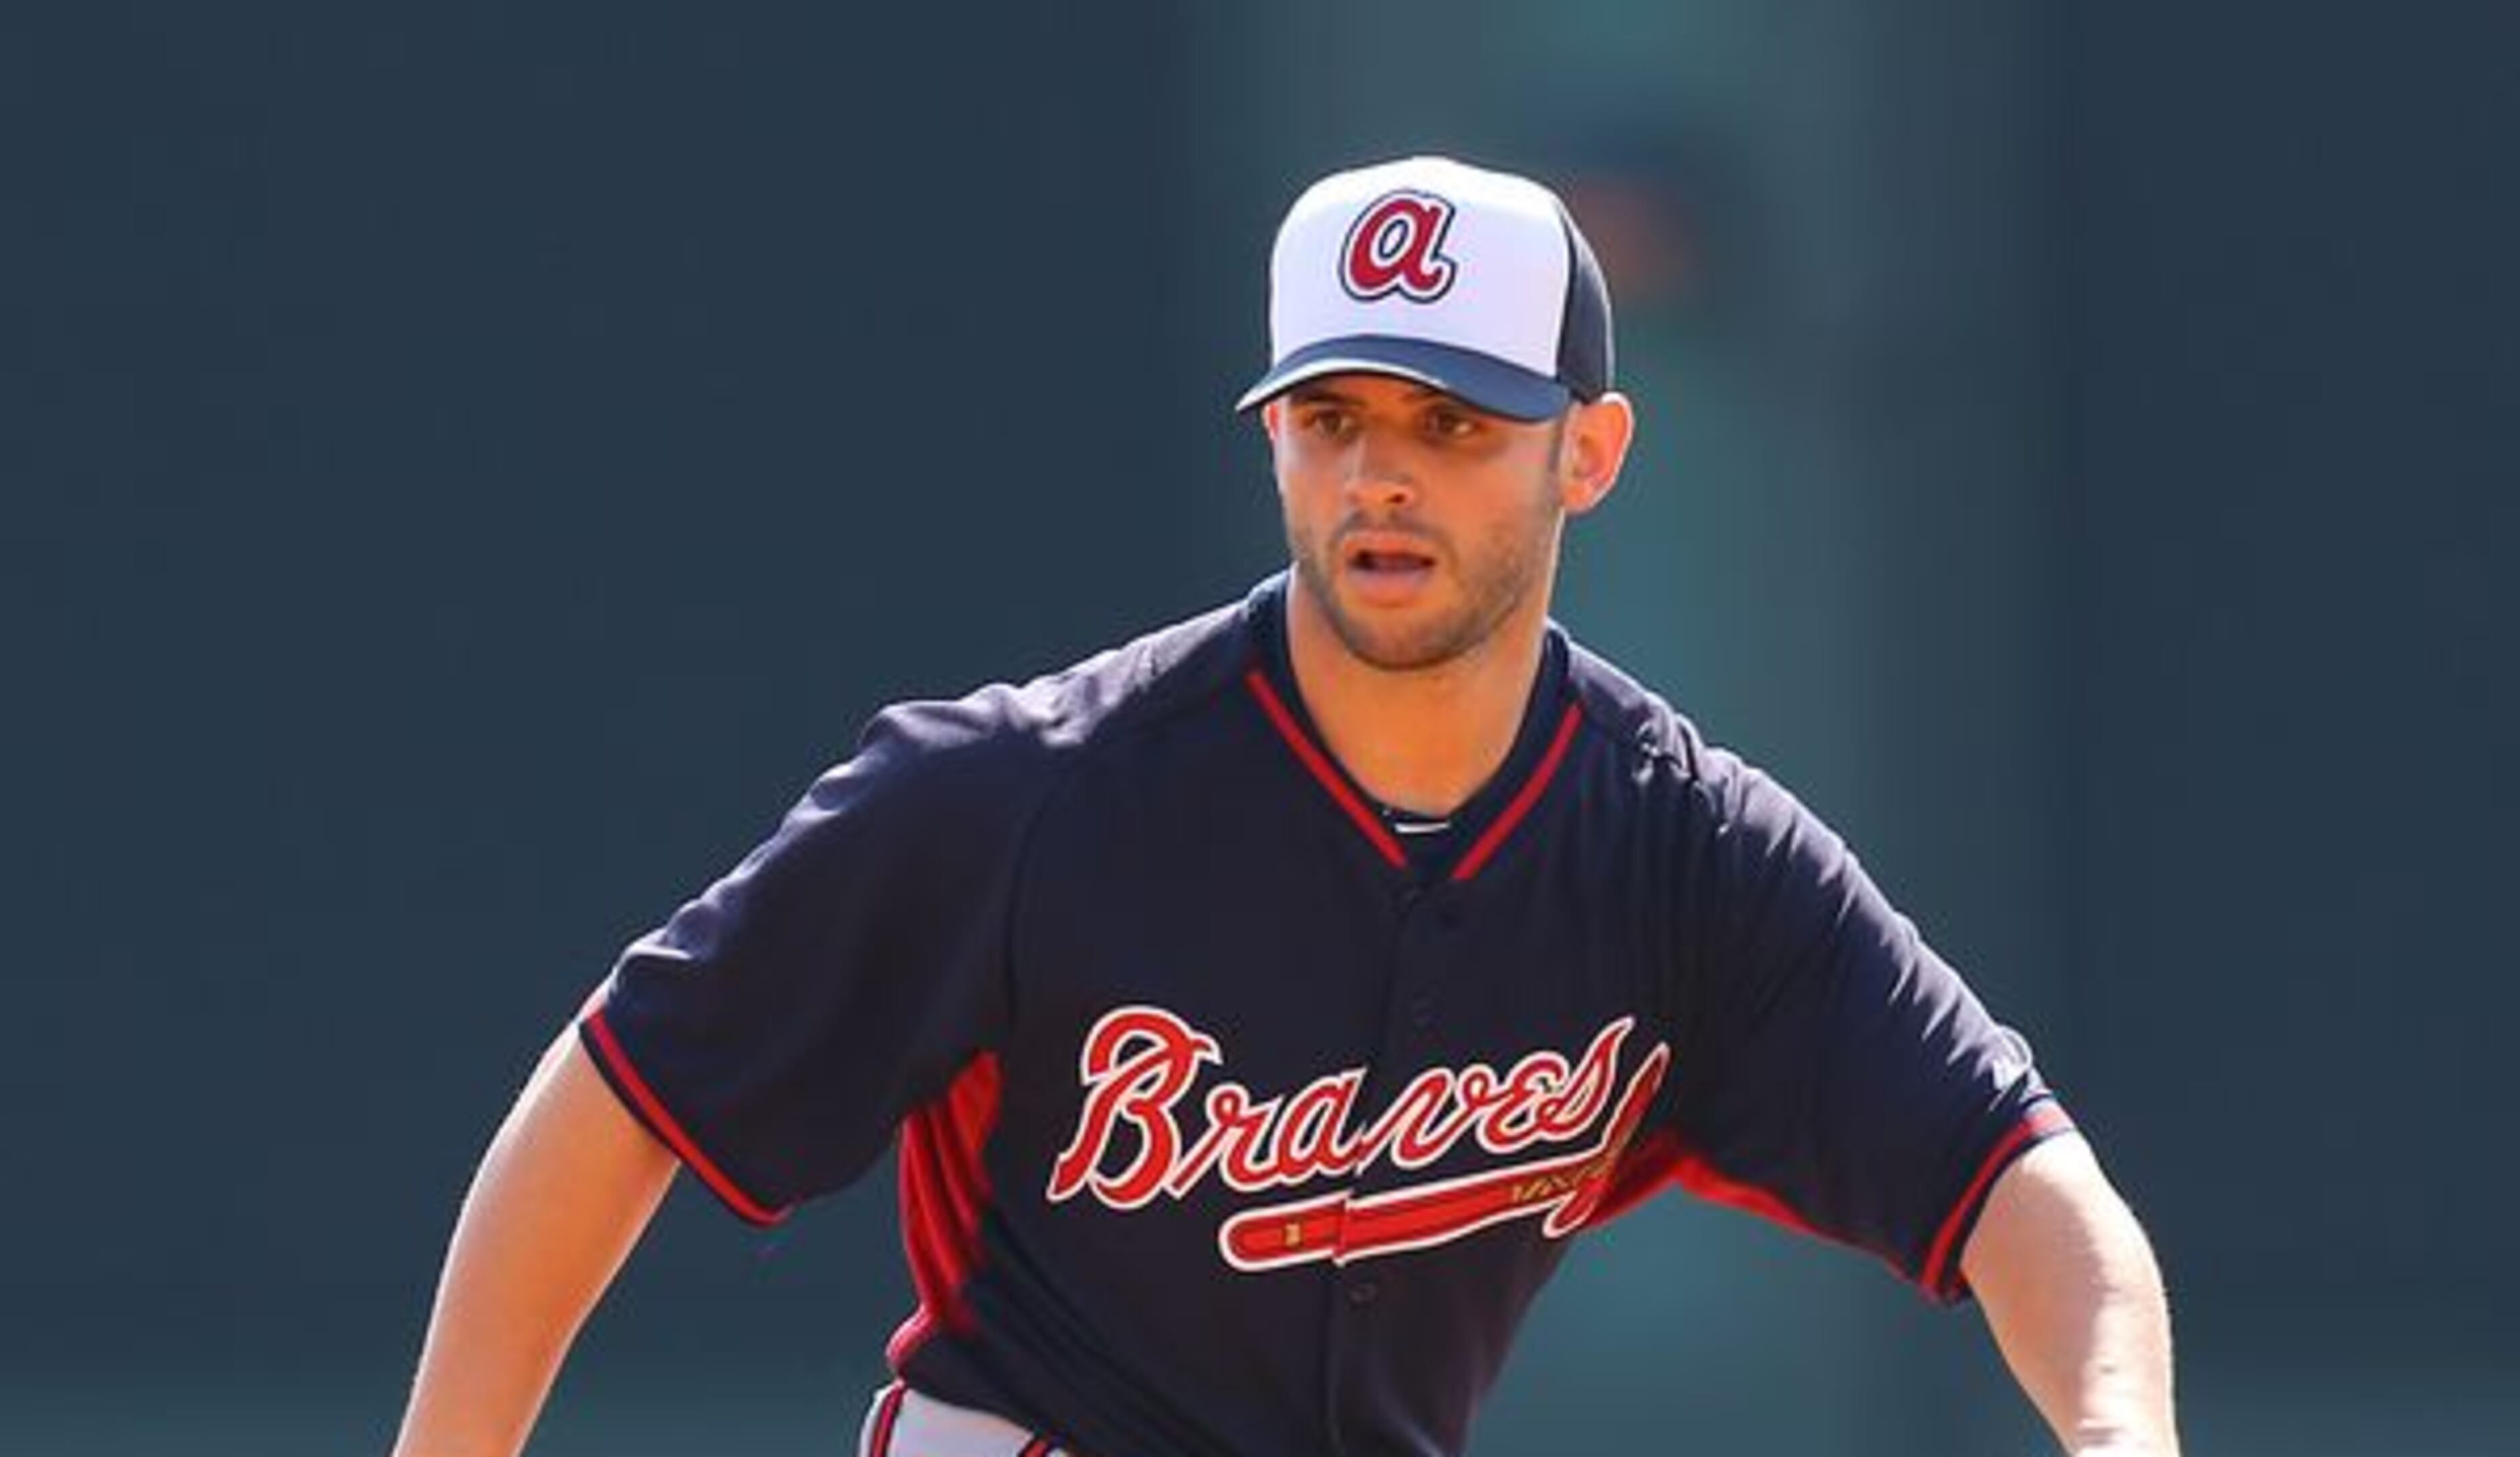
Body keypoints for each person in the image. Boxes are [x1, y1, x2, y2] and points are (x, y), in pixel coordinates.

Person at [389, 155, 2177, 1457]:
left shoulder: (1685, 858)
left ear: (1590, 452)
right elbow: (631, 1084)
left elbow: (2023, 1182)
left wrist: (2121, 1439)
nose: (1381, 470)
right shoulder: (1029, 796)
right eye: (1332, 413)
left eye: (1456, 421)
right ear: (1273, 440)